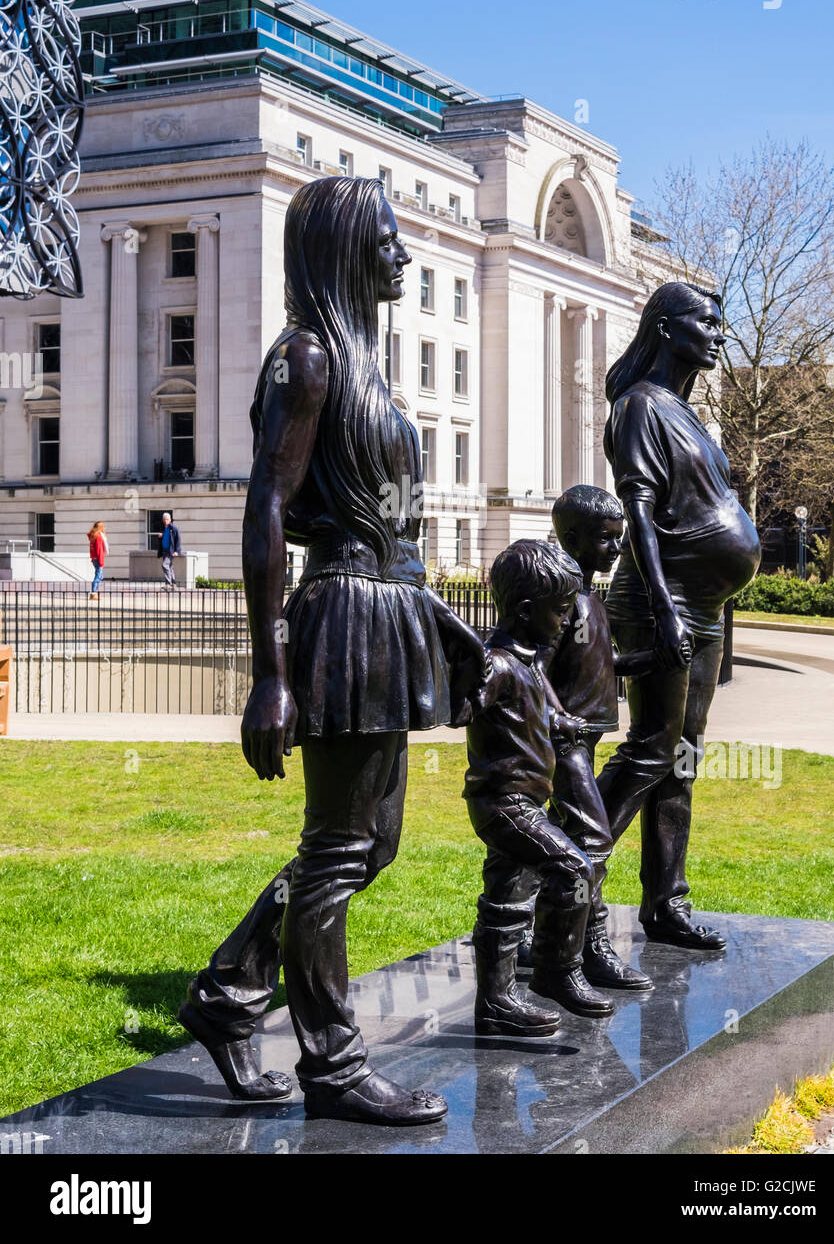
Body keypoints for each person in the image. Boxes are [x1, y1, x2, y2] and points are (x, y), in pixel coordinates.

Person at [178, 177, 486, 1126]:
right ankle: (334, 1062)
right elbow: (267, 507)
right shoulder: (306, 359)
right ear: (347, 246)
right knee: (342, 845)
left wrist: (439, 624)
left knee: (369, 845)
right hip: (345, 612)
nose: (402, 255)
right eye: (387, 240)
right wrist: (269, 675)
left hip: (389, 607)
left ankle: (230, 995)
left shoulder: (363, 362)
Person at [592, 282, 761, 950]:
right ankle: (561, 877)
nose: (720, 333)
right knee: (650, 750)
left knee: (681, 758)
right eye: (709, 322)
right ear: (666, 328)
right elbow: (637, 516)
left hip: (704, 609)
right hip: (661, 604)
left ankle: (666, 902)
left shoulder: (687, 414)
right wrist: (665, 610)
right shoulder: (639, 408)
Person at [463, 538, 615, 1038]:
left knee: (506, 896)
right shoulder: (499, 663)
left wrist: (560, 721)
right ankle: (556, 968)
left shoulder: (527, 659)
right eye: (560, 610)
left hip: (527, 798)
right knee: (574, 866)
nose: (566, 619)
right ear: (528, 611)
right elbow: (461, 709)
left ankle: (497, 1002)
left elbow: (540, 709)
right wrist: (467, 679)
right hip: (503, 803)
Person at [541, 484, 656, 990]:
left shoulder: (591, 595)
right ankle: (587, 949)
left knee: (560, 836)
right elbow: (532, 663)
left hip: (586, 739)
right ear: (572, 538)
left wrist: (654, 659)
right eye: (607, 540)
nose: (616, 549)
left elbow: (604, 667)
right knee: (592, 839)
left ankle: (540, 936)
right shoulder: (561, 597)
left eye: (620, 539)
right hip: (566, 743)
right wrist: (556, 716)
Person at [157, 512, 181, 590]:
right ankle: (174, 584)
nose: (165, 521)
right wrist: (161, 536)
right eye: (164, 519)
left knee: (165, 565)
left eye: (167, 519)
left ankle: (168, 583)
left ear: (170, 519)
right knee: (170, 567)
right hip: (164, 550)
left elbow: (178, 540)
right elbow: (165, 537)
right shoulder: (163, 528)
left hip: (170, 551)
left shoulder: (173, 528)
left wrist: (177, 551)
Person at [86, 521, 108, 600]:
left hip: (94, 558)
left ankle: (94, 592)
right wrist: (101, 561)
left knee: (99, 575)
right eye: (103, 526)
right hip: (98, 558)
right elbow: (99, 550)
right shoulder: (98, 537)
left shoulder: (93, 536)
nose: (105, 528)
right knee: (98, 576)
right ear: (100, 528)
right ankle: (93, 593)